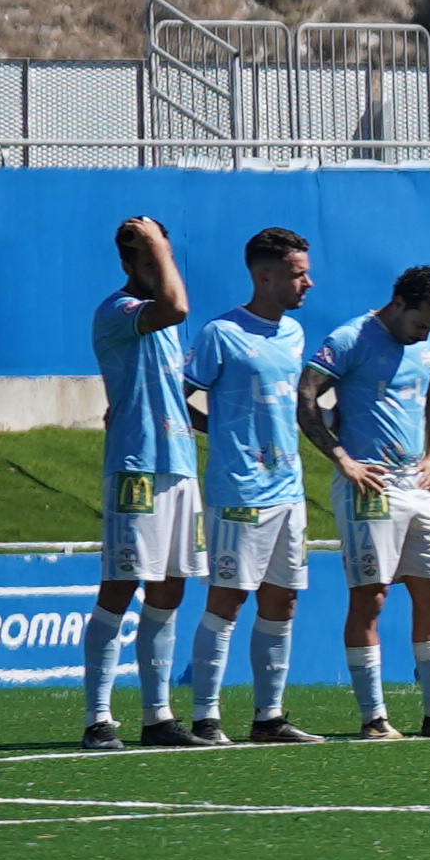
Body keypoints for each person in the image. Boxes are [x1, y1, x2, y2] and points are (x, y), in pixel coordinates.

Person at [171, 224, 326, 746]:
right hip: (240, 492)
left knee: (283, 601)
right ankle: (205, 718)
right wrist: (221, 434)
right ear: (265, 275)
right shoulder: (221, 334)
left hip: (289, 490)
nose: (308, 283)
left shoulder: (294, 333)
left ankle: (269, 718)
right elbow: (182, 395)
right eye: (298, 274)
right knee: (228, 599)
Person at [316, 261, 430, 741]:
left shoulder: (426, 340)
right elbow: (306, 397)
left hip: (416, 486)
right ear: (399, 302)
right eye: (420, 323)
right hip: (370, 489)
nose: (423, 334)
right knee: (372, 597)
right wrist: (343, 458)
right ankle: (374, 719)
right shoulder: (350, 338)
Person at [80, 215, 200, 750]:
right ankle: (98, 719)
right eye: (148, 261)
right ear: (127, 265)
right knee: (121, 585)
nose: (159, 269)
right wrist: (157, 246)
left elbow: (173, 396)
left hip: (178, 464)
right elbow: (176, 304)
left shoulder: (167, 326)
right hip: (137, 465)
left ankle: (158, 716)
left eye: (163, 259)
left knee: (169, 588)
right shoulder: (118, 311)